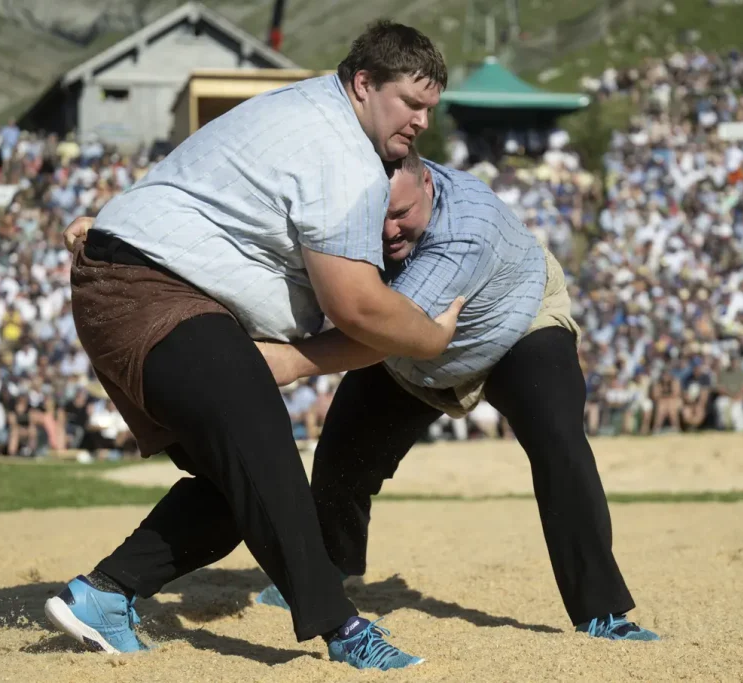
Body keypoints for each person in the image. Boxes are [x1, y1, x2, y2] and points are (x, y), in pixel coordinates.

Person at [47, 22, 456, 671]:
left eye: (429, 106)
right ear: (363, 84)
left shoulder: (302, 108)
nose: (422, 120)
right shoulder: (344, 154)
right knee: (263, 443)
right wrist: (430, 335)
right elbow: (356, 306)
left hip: (141, 280)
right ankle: (341, 627)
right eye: (411, 101)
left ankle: (104, 594)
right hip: (155, 291)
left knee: (235, 483)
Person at [254, 150, 659, 641]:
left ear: (429, 183)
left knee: (560, 443)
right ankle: (329, 568)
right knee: (343, 455)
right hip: (418, 349)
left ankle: (602, 608)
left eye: (401, 215)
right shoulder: (353, 212)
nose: (388, 233)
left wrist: (289, 362)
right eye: (377, 219)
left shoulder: (468, 221)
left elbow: (386, 326)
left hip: (516, 322)